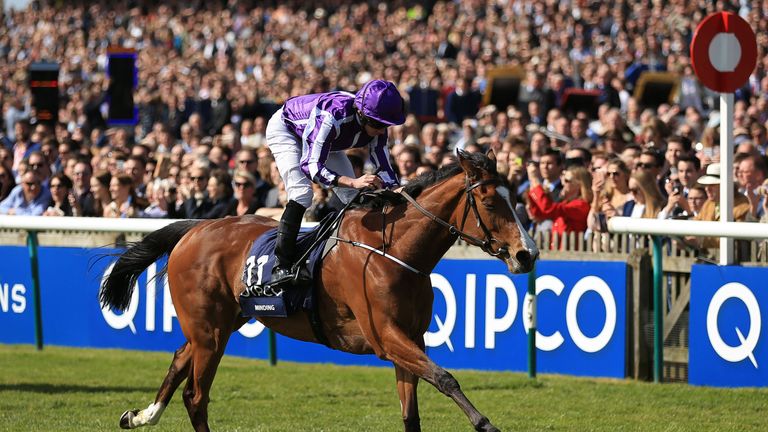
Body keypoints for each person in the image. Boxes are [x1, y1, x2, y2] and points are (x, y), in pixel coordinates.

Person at [265, 79, 404, 287]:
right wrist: (352, 181)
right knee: (302, 194)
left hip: (329, 140)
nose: (381, 130)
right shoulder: (332, 115)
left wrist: (396, 189)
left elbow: (383, 164)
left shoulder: (377, 123)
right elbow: (311, 167)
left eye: (385, 125)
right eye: (376, 124)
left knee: (352, 198)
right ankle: (281, 265)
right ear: (361, 113)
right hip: (288, 131)